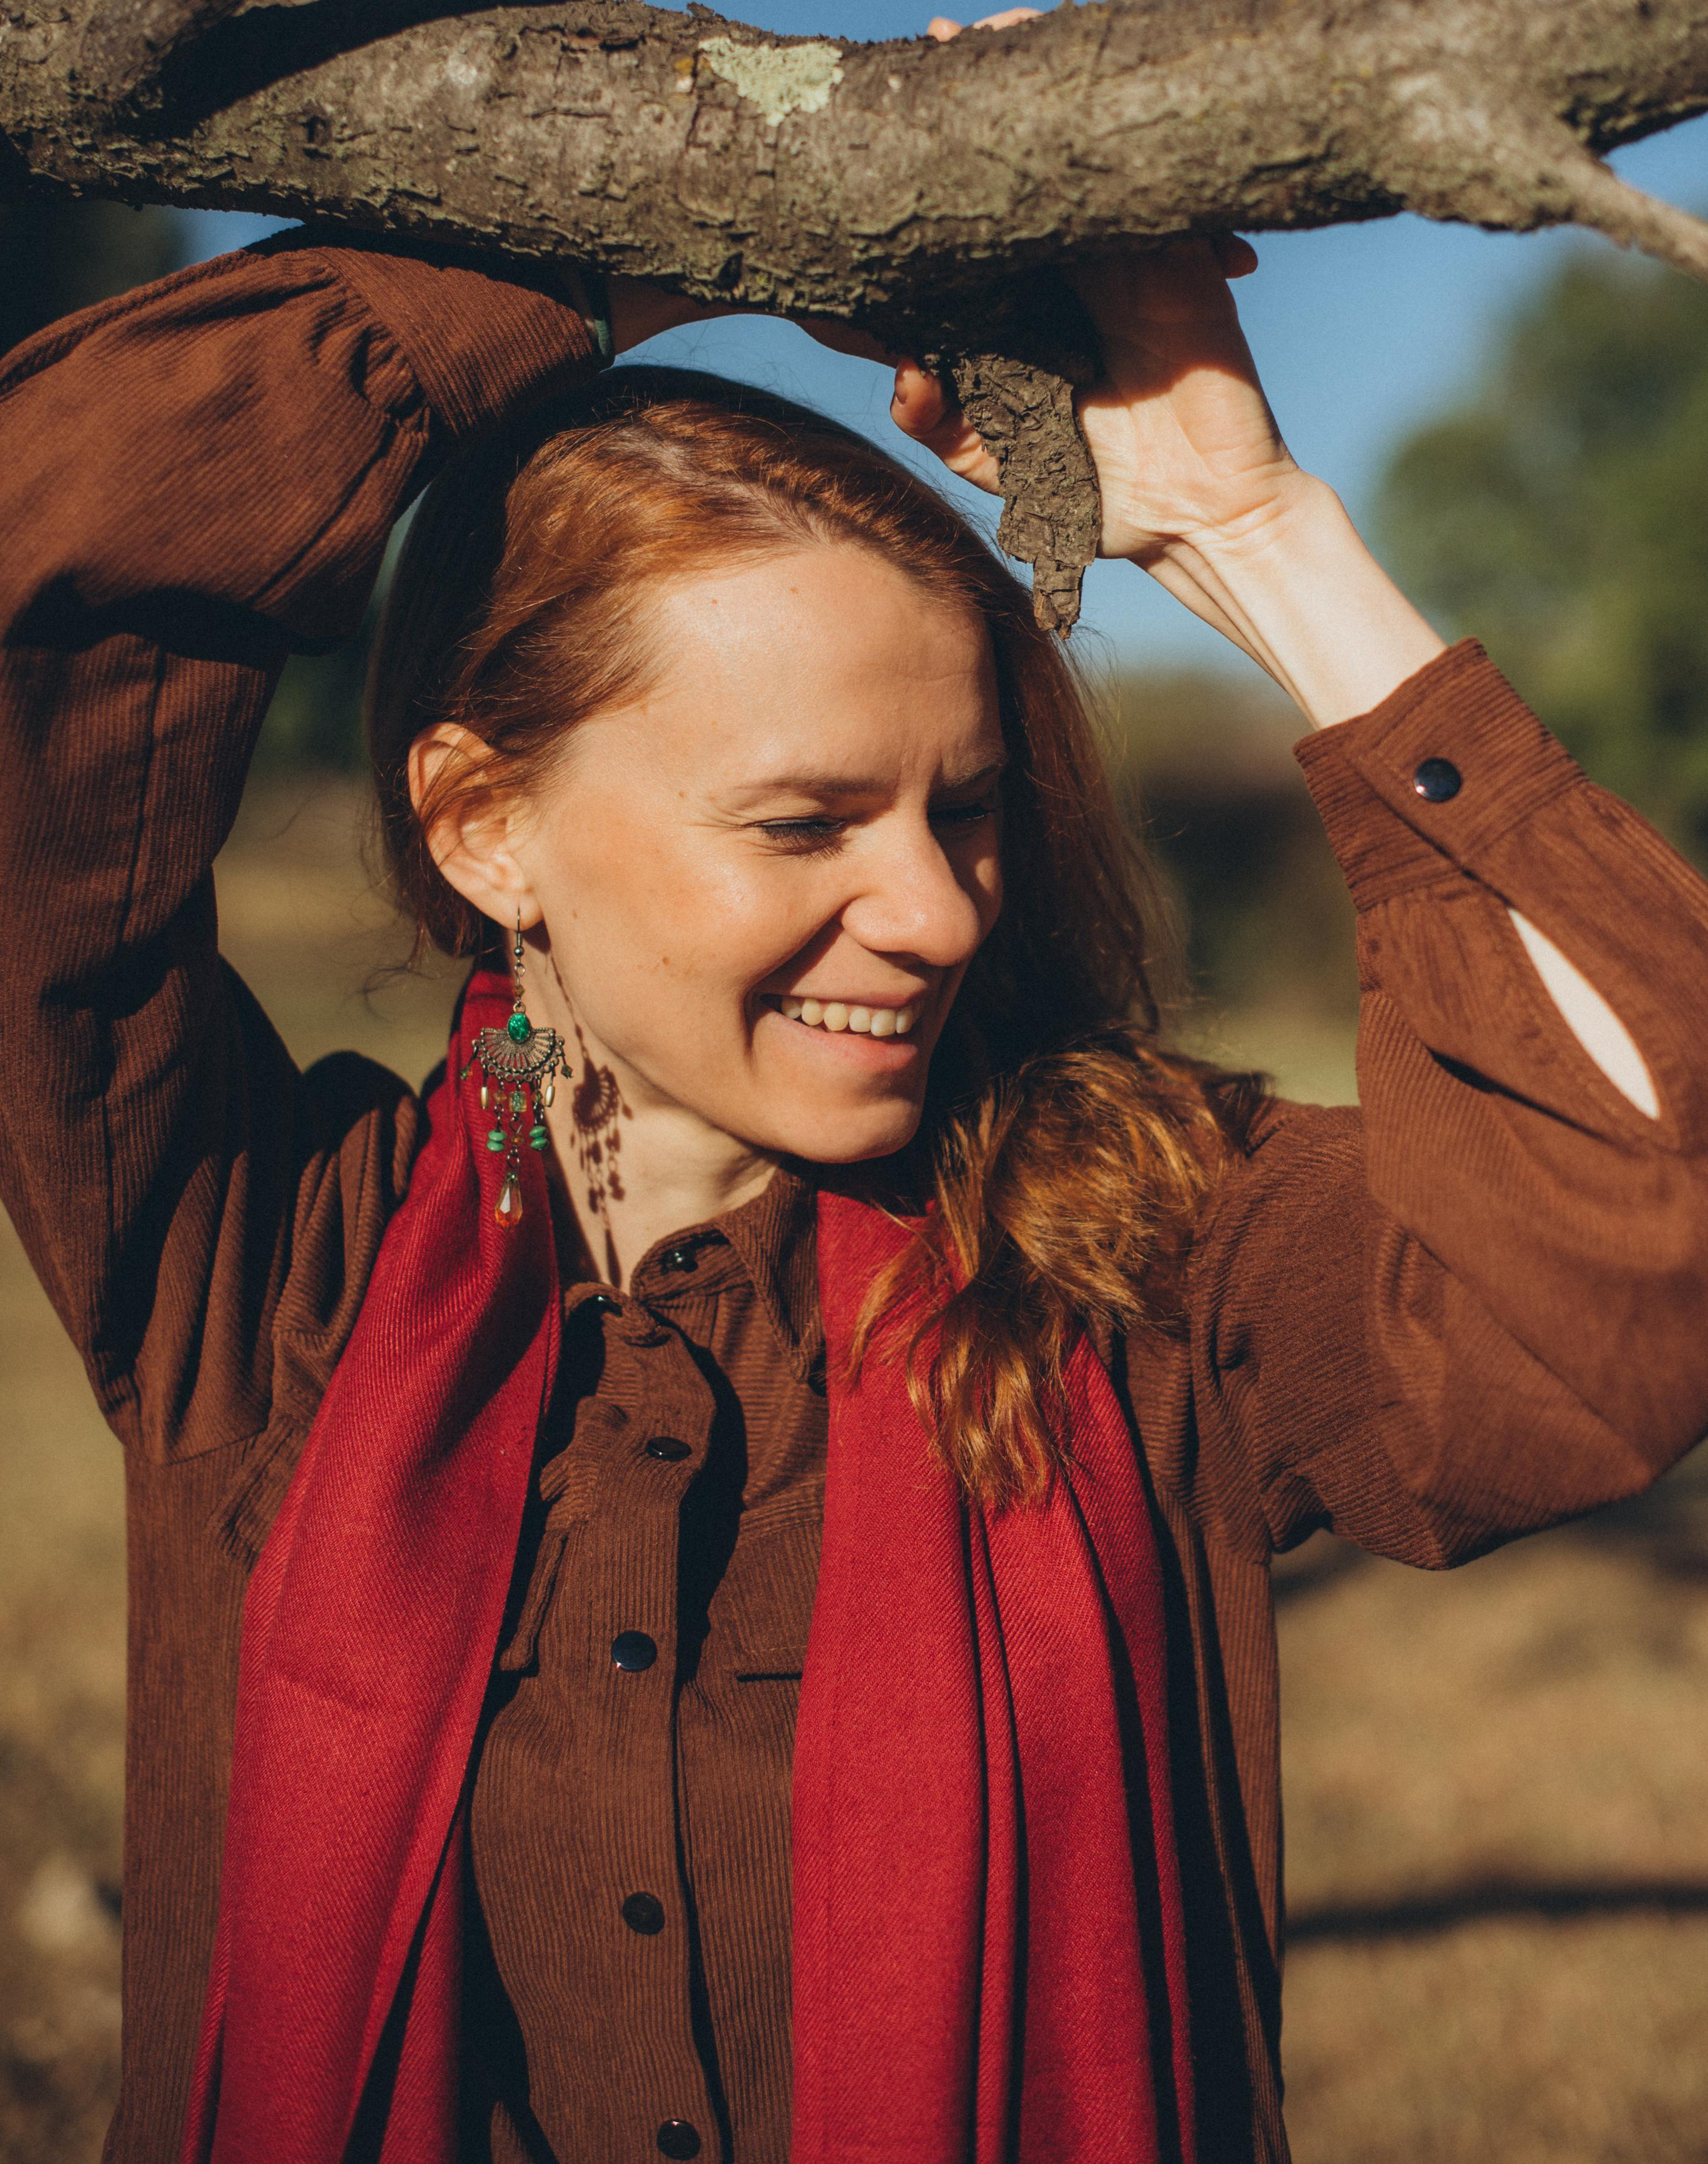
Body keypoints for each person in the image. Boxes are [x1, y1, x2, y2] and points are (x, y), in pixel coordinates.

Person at [2, 109, 1705, 2164]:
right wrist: (676, 217)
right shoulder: (255, 1268)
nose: (940, 909)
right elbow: (47, 581)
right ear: (483, 824)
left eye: (964, 806)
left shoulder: (1141, 1251)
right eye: (807, 822)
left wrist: (1246, 525)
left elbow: (1636, 1240)